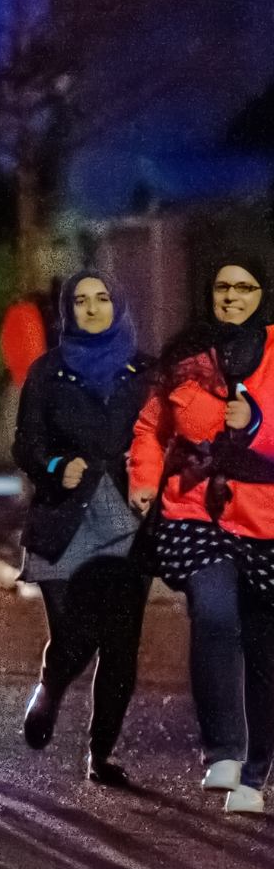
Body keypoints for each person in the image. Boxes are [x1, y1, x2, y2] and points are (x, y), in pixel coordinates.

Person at [129, 253, 274, 814]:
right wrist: (144, 480)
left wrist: (256, 426)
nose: (232, 297)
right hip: (198, 511)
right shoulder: (186, 357)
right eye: (221, 287)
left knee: (265, 649)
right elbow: (151, 427)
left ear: (263, 294)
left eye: (244, 287)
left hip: (265, 518)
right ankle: (224, 751)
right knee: (214, 613)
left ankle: (257, 772)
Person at [14, 271, 152, 785]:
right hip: (64, 520)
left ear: (119, 306)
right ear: (67, 311)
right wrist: (56, 467)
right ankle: (50, 687)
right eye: (81, 300)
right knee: (76, 634)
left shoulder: (145, 372)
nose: (92, 308)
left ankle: (100, 755)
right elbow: (26, 447)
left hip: (128, 523)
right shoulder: (47, 372)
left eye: (102, 299)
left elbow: (167, 435)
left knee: (120, 642)